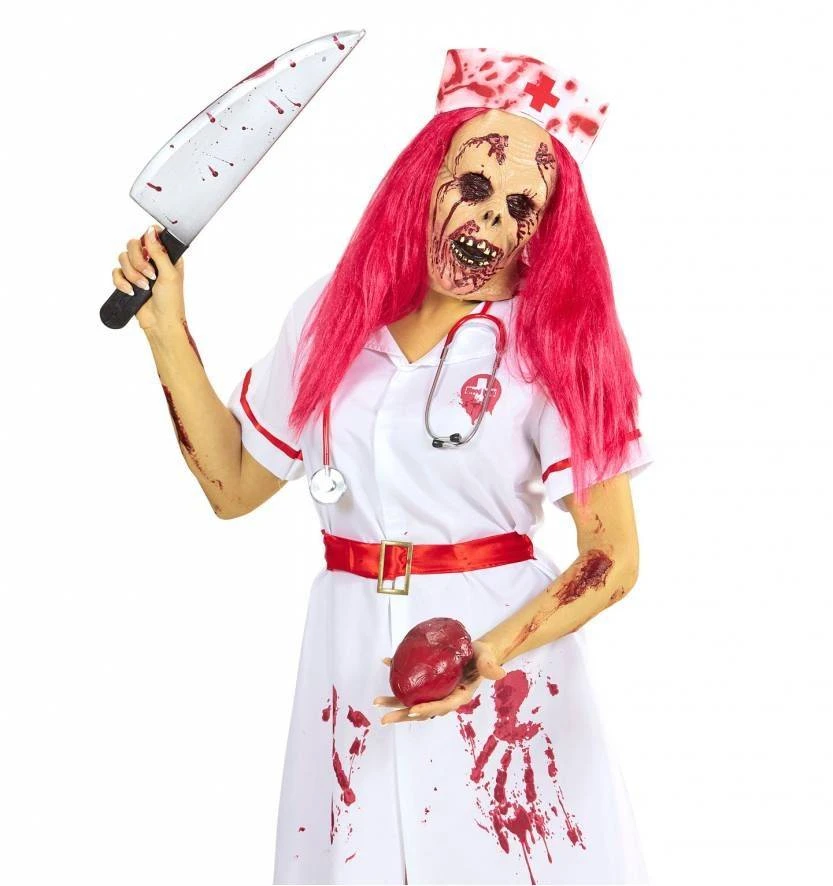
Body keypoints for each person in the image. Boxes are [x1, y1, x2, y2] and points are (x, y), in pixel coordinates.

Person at [111, 47, 651, 886]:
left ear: (546, 227)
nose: (490, 221)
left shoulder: (558, 343)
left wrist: (484, 657)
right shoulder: (334, 311)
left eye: (520, 205)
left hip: (498, 668)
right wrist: (166, 330)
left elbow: (611, 557)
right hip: (350, 645)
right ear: (426, 180)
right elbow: (233, 487)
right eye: (474, 185)